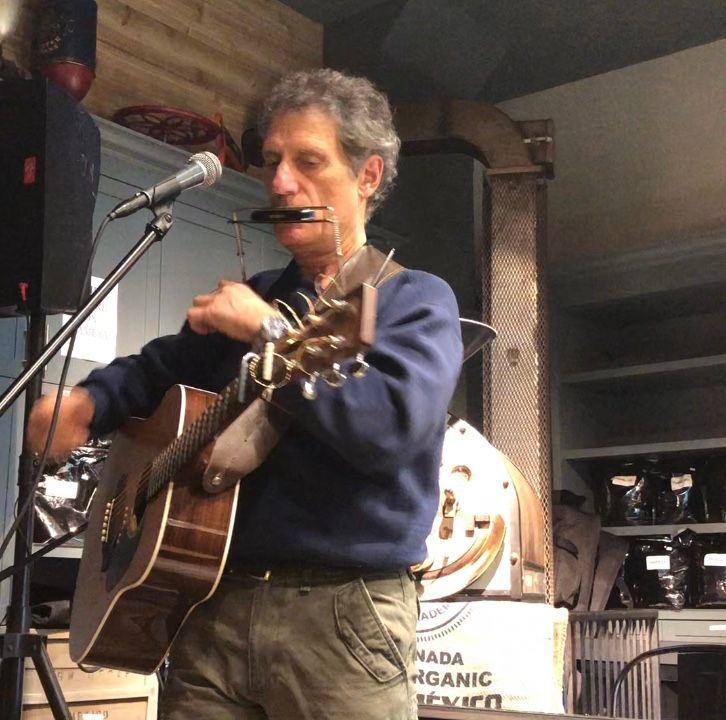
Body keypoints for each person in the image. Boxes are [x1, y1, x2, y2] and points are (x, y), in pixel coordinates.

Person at [27, 68, 463, 720]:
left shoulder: (415, 300)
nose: (281, 183)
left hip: (344, 618)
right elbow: (155, 370)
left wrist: (269, 333)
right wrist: (88, 403)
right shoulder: (258, 294)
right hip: (212, 605)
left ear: (368, 176)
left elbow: (388, 431)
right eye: (273, 162)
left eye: (308, 162)